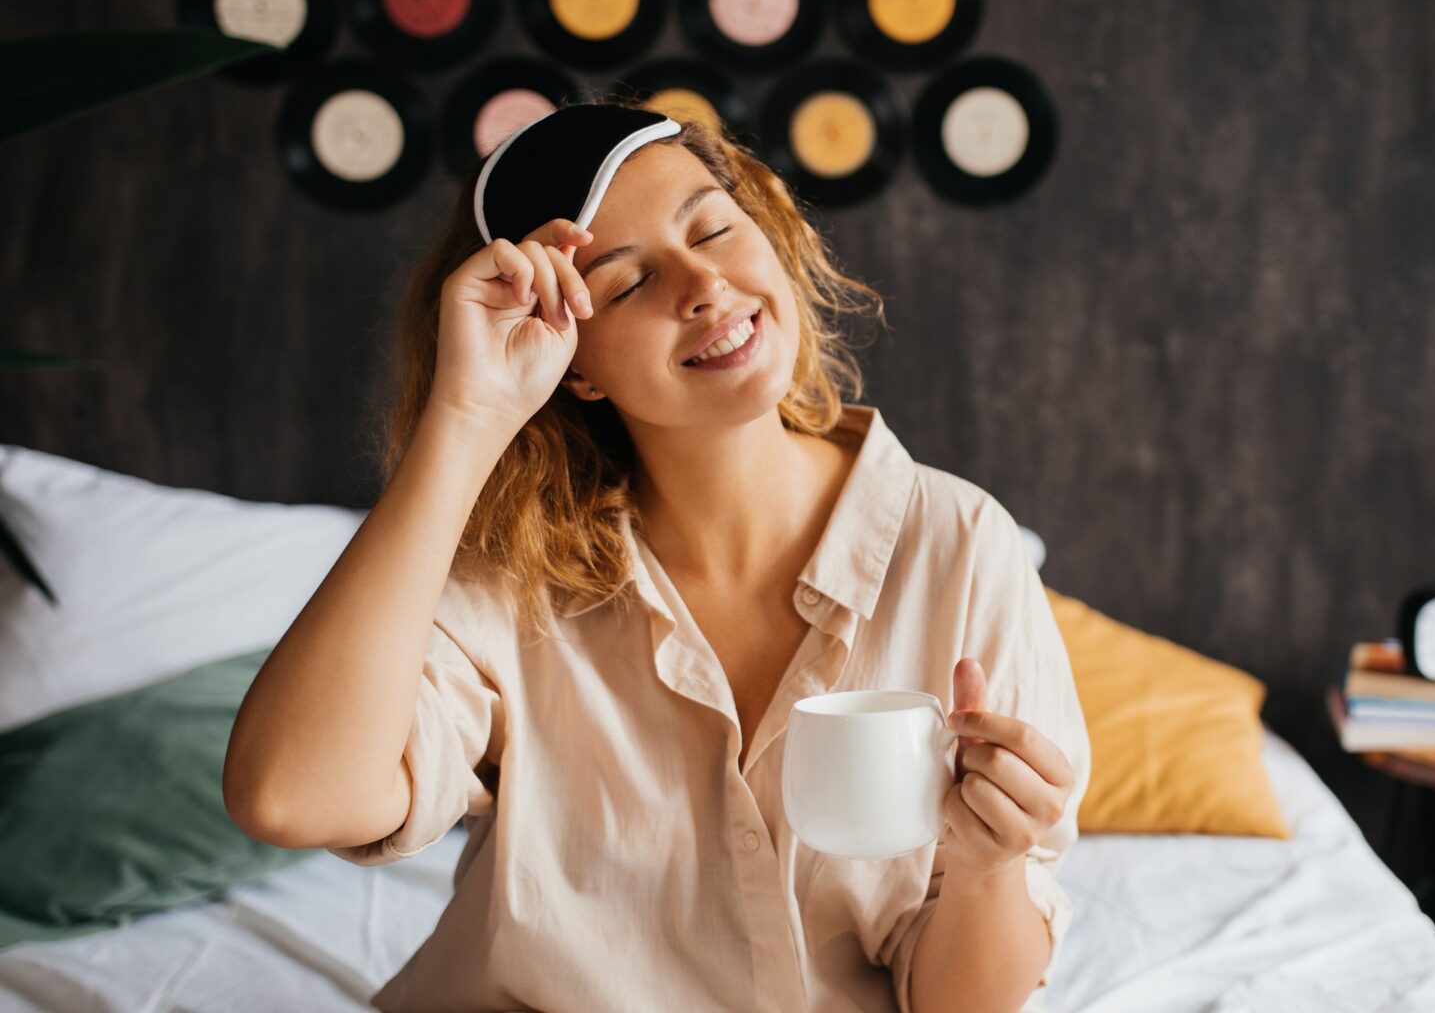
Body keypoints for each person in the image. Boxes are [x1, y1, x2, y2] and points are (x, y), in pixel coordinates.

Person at [222, 97, 1092, 1013]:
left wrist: (991, 867)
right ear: (575, 363)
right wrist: (466, 418)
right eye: (626, 283)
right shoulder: (513, 581)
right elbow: (291, 797)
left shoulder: (957, 544)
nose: (703, 285)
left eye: (713, 229)